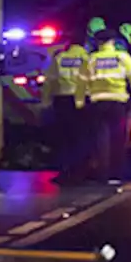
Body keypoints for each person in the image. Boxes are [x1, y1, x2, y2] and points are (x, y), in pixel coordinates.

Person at [79, 28, 131, 181]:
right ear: (113, 42)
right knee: (118, 139)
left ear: (97, 42)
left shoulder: (91, 59)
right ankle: (116, 175)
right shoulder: (122, 57)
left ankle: (102, 174)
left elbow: (81, 82)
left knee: (100, 140)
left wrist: (80, 102)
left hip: (97, 104)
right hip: (118, 103)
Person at [42, 33, 90, 182]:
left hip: (62, 100)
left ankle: (64, 170)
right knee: (81, 137)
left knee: (64, 137)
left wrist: (45, 102)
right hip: (82, 100)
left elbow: (49, 81)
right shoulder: (87, 58)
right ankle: (80, 172)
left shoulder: (60, 58)